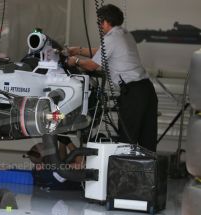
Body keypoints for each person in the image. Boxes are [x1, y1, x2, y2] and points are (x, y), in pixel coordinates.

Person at [66, 4, 158, 152]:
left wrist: (75, 60)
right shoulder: (123, 33)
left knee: (127, 139)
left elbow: (91, 66)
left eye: (99, 23)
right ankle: (146, 172)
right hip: (146, 90)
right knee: (147, 140)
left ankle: (124, 172)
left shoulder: (111, 38)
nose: (99, 27)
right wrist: (78, 50)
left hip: (133, 93)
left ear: (105, 22)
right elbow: (101, 51)